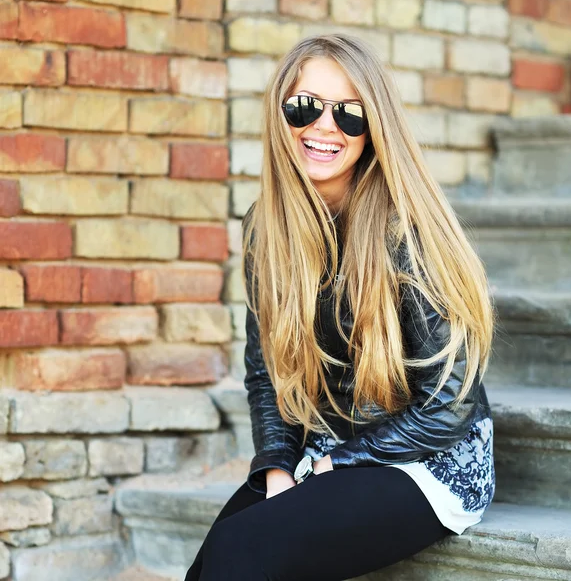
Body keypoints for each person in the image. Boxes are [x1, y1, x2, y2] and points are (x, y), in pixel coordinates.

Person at [185, 33, 495, 581]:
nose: (324, 127)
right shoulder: (268, 226)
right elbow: (267, 376)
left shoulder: (407, 230)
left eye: (349, 115)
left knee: (244, 553)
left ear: (374, 128)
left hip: (427, 460)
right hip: (327, 448)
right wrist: (277, 466)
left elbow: (449, 405)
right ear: (281, 113)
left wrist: (335, 463)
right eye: (305, 106)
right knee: (213, 561)